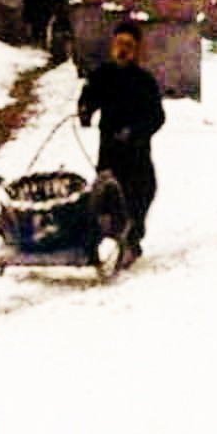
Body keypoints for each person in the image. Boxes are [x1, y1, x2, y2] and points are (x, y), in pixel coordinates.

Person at [77, 19, 165, 264]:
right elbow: (89, 98)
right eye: (119, 44)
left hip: (136, 153)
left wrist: (135, 132)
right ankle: (107, 237)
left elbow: (157, 117)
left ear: (137, 49)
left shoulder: (144, 81)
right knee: (106, 196)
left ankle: (132, 239)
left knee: (141, 193)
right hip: (109, 150)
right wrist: (85, 110)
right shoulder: (102, 75)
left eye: (128, 44)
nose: (122, 49)